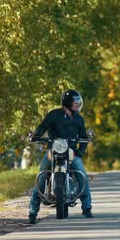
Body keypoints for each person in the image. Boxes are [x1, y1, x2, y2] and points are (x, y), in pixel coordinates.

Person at [27, 89, 93, 224]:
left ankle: (87, 207)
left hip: (71, 152)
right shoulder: (54, 114)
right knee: (41, 176)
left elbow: (84, 137)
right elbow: (43, 126)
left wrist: (80, 151)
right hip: (54, 150)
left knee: (82, 175)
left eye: (78, 102)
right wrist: (36, 136)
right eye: (75, 102)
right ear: (67, 102)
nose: (77, 104)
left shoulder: (78, 119)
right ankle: (33, 212)